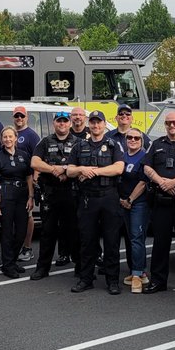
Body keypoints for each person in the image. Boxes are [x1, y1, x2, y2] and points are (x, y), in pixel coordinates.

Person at [66, 110, 125, 294]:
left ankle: (112, 281)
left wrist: (95, 171)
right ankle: (86, 279)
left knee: (111, 241)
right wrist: (81, 169)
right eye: (92, 122)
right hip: (87, 198)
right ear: (88, 124)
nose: (96, 125)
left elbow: (119, 168)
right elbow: (69, 171)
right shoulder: (79, 146)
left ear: (104, 124)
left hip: (109, 197)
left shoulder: (113, 145)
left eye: (99, 122)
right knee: (87, 241)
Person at [143, 111, 175, 295]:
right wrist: (161, 182)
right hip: (161, 202)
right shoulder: (156, 144)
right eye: (168, 123)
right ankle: (158, 281)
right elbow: (147, 166)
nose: (172, 126)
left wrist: (173, 182)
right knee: (160, 244)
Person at [30, 111, 79, 281]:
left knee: (74, 232)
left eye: (65, 121)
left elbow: (83, 164)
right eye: (59, 121)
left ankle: (81, 268)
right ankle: (42, 268)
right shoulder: (45, 142)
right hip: (50, 193)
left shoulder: (78, 143)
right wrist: (53, 170)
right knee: (47, 232)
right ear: (54, 123)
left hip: (72, 192)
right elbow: (35, 162)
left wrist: (65, 170)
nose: (62, 124)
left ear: (69, 124)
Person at [0, 126, 34, 278]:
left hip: (22, 196)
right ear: (1, 140)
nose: (8, 139)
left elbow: (29, 177)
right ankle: (8, 265)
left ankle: (12, 260)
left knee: (21, 231)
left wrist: (31, 196)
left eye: (10, 136)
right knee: (7, 232)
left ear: (16, 138)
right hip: (6, 196)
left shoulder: (24, 155)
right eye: (5, 137)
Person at [117, 127, 151, 292]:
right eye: (129, 137)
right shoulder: (122, 156)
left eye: (136, 138)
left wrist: (130, 199)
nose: (132, 140)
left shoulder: (144, 157)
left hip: (138, 203)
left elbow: (143, 183)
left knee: (137, 238)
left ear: (141, 141)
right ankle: (140, 272)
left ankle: (137, 275)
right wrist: (122, 200)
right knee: (131, 238)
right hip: (123, 202)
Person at [12, 106, 40, 262]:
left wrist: (34, 181)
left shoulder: (32, 135)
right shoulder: (10, 133)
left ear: (26, 117)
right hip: (10, 183)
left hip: (26, 181)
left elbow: (37, 160)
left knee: (28, 215)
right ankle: (14, 247)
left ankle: (27, 248)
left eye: (22, 116)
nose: (19, 118)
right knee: (13, 216)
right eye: (16, 116)